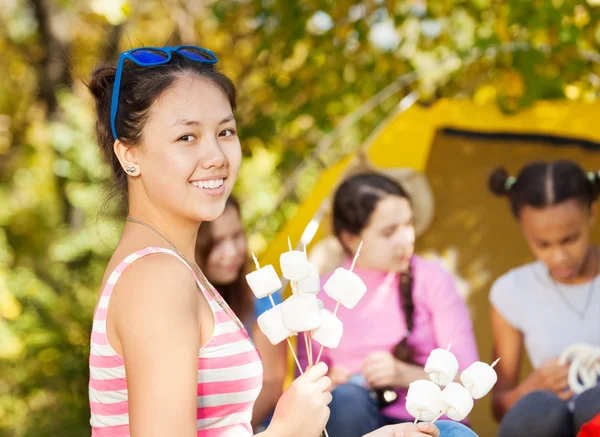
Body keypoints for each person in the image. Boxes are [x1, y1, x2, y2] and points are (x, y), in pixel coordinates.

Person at [86, 44, 444, 437]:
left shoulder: (176, 270)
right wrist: (287, 429)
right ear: (129, 154)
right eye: (187, 137)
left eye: (225, 131)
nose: (216, 155)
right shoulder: (156, 278)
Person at [300, 173, 480, 437]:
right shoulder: (322, 297)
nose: (405, 239)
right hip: (356, 423)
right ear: (350, 238)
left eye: (408, 224)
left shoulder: (432, 280)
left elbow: (470, 382)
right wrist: (327, 386)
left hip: (431, 425)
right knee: (346, 400)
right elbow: (301, 394)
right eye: (388, 232)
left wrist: (402, 373)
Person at [488, 160, 600, 437]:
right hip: (550, 423)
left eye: (570, 239)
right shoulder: (510, 291)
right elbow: (500, 407)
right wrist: (530, 388)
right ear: (523, 229)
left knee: (593, 402)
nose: (559, 257)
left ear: (592, 214)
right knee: (539, 409)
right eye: (543, 244)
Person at [195, 196, 285, 430]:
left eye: (237, 236)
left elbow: (272, 383)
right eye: (216, 242)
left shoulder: (263, 298)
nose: (232, 252)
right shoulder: (178, 305)